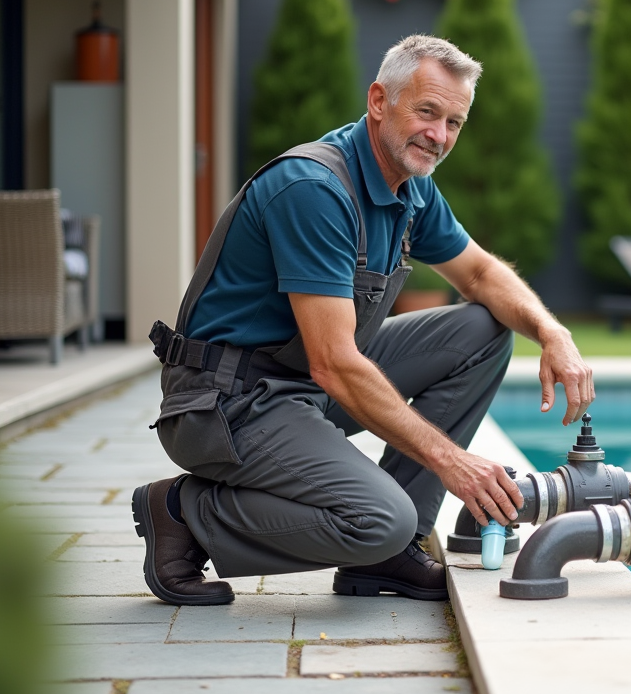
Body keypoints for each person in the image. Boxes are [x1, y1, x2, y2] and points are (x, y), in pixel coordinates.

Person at [133, 35, 594, 606]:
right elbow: (334, 364)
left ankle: (388, 562)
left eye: (454, 121)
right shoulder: (314, 190)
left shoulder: (409, 188)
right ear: (379, 101)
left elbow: (478, 274)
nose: (440, 135)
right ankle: (184, 512)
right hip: (227, 403)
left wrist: (553, 332)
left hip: (299, 386)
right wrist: (452, 461)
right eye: (427, 112)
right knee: (379, 520)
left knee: (482, 331)